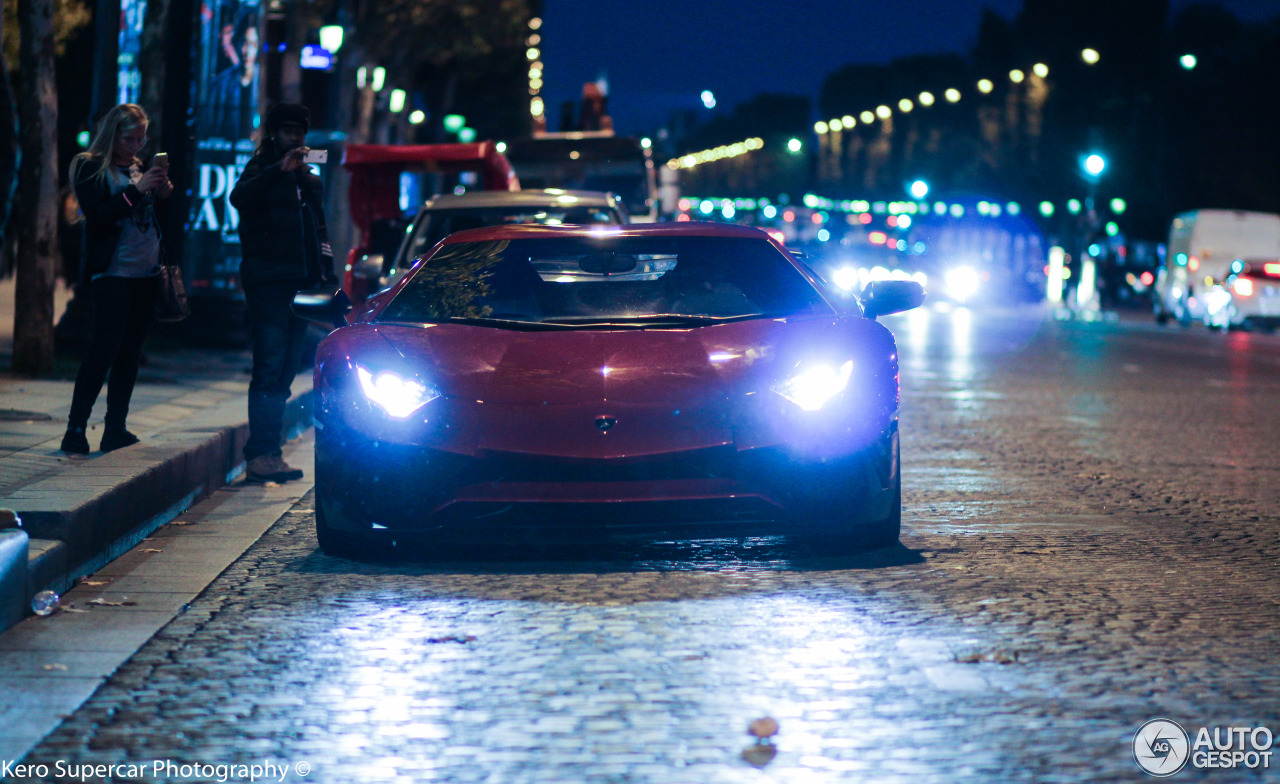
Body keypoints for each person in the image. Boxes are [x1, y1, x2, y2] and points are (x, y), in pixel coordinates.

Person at [60, 104, 174, 454]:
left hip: (145, 271)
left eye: (140, 139)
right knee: (104, 347)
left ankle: (115, 427)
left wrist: (162, 191)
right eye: (129, 138)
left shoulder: (139, 167)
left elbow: (150, 215)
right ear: (113, 134)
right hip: (111, 272)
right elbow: (98, 216)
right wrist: (137, 190)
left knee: (131, 351)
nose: (135, 147)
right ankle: (76, 428)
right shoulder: (90, 166)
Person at [229, 102, 333, 483]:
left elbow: (320, 232)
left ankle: (270, 451)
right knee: (269, 367)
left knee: (287, 370)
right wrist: (278, 171)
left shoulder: (309, 181)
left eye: (301, 133)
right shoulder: (262, 170)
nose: (297, 140)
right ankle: (260, 454)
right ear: (274, 134)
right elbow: (239, 199)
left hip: (300, 286)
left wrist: (328, 278)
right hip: (268, 284)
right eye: (290, 132)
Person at [202, 8, 260, 140]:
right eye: (243, 43)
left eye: (252, 44)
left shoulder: (263, 85)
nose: (246, 51)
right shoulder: (220, 85)